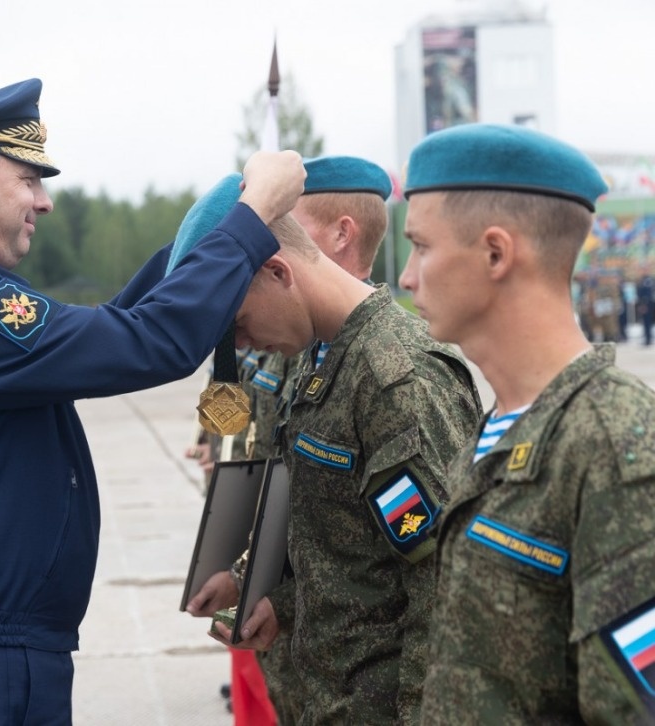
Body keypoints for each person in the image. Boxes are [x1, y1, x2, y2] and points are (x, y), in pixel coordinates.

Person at [0, 77, 306, 724]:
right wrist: (251, 219)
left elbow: (108, 333)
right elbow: (149, 344)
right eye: (28, 180)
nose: (43, 203)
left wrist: (204, 238)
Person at [181, 171, 482, 723]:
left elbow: (443, 582)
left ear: (278, 270)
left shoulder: (398, 377)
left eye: (240, 323)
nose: (242, 346)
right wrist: (279, 602)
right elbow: (350, 545)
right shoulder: (318, 361)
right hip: (323, 696)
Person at [398, 122, 655, 722]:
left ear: (495, 253)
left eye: (422, 246)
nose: (407, 276)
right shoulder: (499, 428)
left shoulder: (616, 445)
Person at [187, 155, 399, 726]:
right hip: (307, 668)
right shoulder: (306, 342)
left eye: (290, 219)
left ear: (340, 232)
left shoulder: (387, 369)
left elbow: (413, 572)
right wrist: (247, 577)